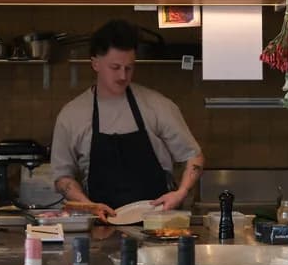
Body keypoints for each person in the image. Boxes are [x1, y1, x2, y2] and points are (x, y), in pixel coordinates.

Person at [50, 19, 204, 219]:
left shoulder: (158, 106)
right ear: (95, 63)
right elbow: (62, 177)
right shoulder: (71, 115)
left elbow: (194, 156)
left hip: (157, 224)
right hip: (101, 227)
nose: (123, 76)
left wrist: (181, 192)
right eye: (115, 67)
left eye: (129, 68)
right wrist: (88, 205)